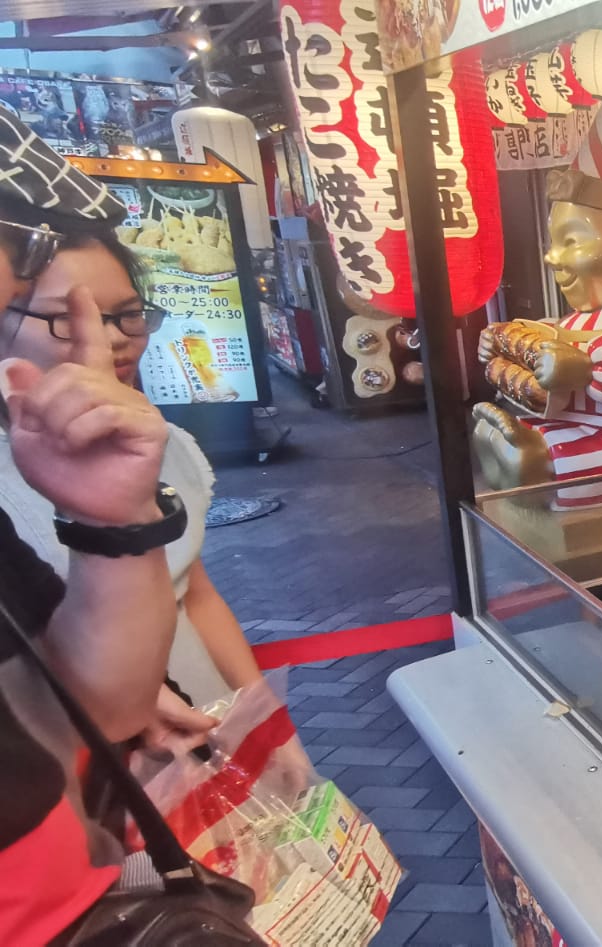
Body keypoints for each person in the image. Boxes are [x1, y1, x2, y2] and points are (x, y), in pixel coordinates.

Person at [0, 106, 186, 941]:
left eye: (122, 315)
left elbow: (95, 699)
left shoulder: (129, 447)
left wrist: (109, 518)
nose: (103, 343)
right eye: (53, 313)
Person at [0, 192, 265, 721]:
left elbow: (192, 592)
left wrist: (262, 716)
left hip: (212, 733)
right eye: (64, 319)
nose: (110, 341)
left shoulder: (159, 442)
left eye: (127, 315)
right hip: (91, 771)